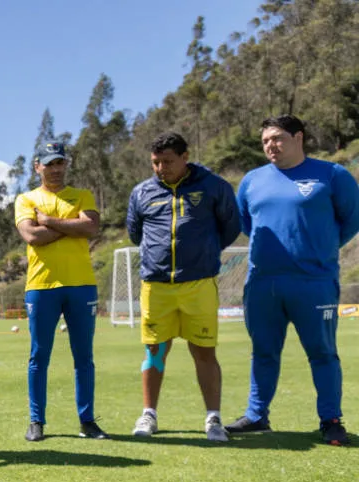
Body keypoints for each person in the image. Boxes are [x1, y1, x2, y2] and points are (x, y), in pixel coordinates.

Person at [226, 115, 359, 445]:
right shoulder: (252, 181)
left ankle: (330, 419)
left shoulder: (332, 175)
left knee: (323, 353)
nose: (270, 145)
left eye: (277, 138)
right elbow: (247, 224)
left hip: (314, 282)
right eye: (265, 140)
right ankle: (257, 416)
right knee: (263, 352)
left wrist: (320, 249)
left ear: (298, 137)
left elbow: (352, 220)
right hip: (262, 283)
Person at [126, 132, 241, 441]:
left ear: (185, 157)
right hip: (157, 286)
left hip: (199, 285)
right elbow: (136, 234)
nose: (161, 168)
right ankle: (149, 415)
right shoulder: (141, 192)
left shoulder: (214, 187)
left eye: (168, 162)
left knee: (204, 351)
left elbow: (230, 226)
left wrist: (202, 252)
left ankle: (213, 418)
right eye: (155, 163)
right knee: (154, 352)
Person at [14, 142, 105, 442]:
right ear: (37, 166)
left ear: (66, 164)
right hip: (42, 286)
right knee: (39, 356)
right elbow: (31, 235)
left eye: (60, 163)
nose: (55, 169)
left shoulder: (82, 196)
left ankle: (87, 421)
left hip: (81, 285)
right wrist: (72, 225)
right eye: (49, 163)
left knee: (84, 357)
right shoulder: (26, 199)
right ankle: (36, 421)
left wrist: (50, 222)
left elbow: (91, 228)